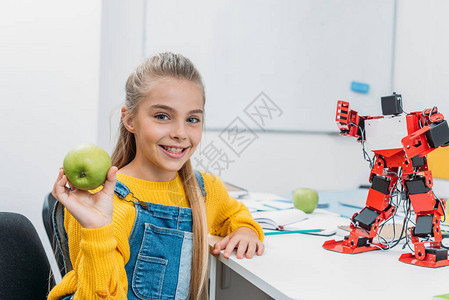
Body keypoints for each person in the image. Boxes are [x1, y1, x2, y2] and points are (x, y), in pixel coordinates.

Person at [48, 52, 264, 300]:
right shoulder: (101, 204)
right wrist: (97, 229)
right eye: (162, 116)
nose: (181, 133)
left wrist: (247, 231)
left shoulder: (204, 190)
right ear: (129, 119)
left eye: (192, 119)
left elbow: (235, 214)